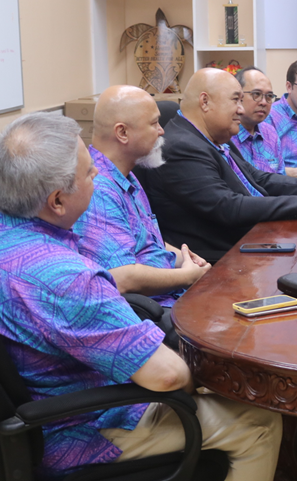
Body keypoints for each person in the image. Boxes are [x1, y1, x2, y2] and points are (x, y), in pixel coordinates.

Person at [0, 112, 282, 481]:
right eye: (90, 174)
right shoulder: (65, 278)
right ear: (57, 200)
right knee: (257, 419)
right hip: (79, 430)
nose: (98, 179)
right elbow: (167, 377)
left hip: (20, 413)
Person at [138, 68, 297, 262]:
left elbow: (258, 178)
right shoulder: (180, 147)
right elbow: (228, 207)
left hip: (256, 242)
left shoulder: (212, 138)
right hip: (226, 261)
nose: (241, 110)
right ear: (205, 102)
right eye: (236, 100)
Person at [75, 85, 211, 339]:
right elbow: (123, 277)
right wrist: (184, 276)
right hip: (151, 315)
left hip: (169, 298)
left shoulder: (126, 175)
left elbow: (145, 241)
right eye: (154, 123)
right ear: (122, 133)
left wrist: (184, 258)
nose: (162, 131)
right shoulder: (99, 191)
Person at [231, 67, 297, 177]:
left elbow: (280, 180)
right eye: (256, 94)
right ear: (238, 96)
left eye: (269, 96)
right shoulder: (225, 136)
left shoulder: (269, 133)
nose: (264, 102)